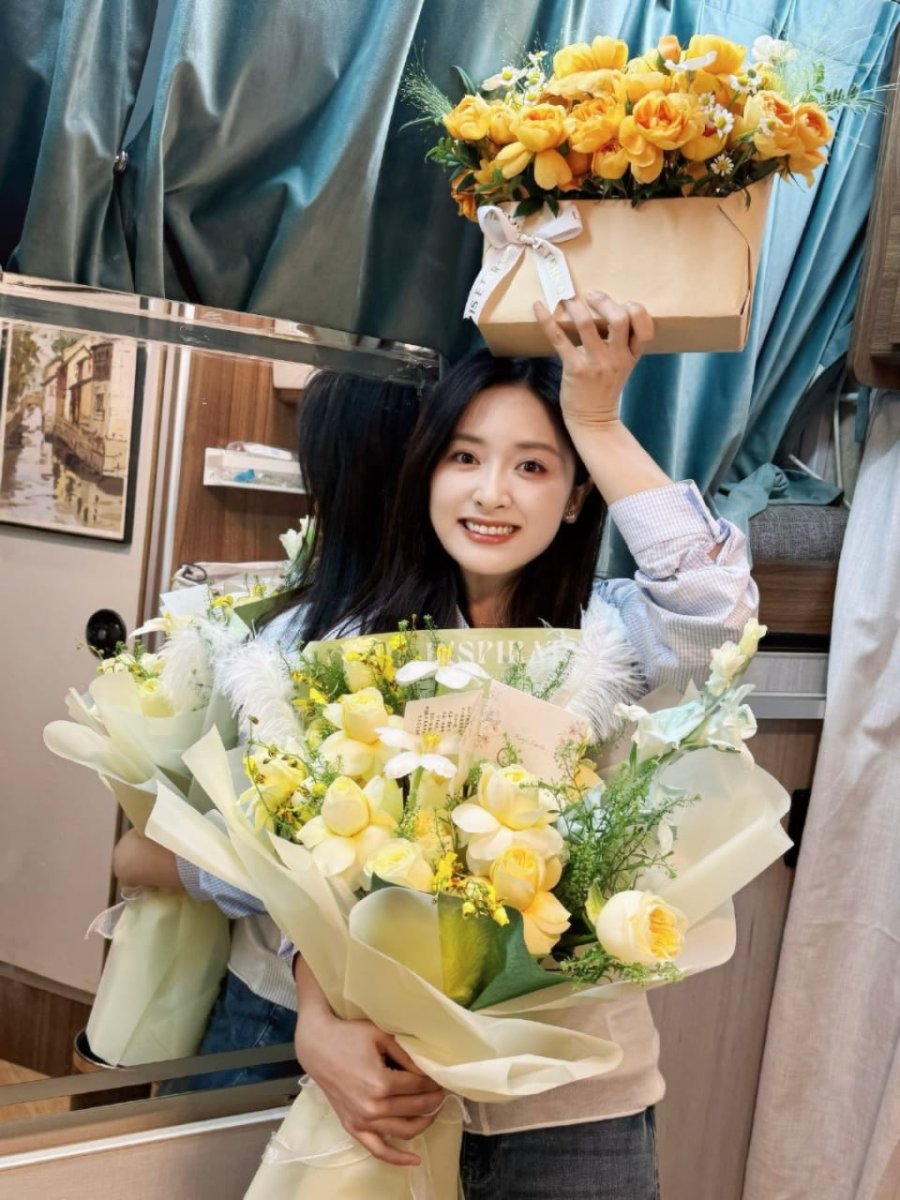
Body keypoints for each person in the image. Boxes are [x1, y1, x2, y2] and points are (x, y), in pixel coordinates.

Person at [288, 293, 759, 1199]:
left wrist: (597, 421)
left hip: (576, 1105)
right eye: (464, 457)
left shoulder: (614, 636)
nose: (492, 492)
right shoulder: (350, 646)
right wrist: (316, 1022)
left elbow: (716, 610)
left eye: (533, 466)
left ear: (577, 494)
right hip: (392, 1088)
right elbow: (303, 864)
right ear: (425, 473)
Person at [113, 369, 420, 1090]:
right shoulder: (310, 628)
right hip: (308, 1001)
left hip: (282, 1005)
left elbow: (294, 864)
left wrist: (168, 860)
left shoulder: (310, 635)